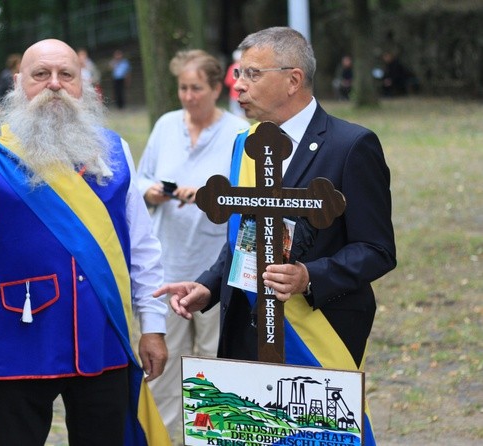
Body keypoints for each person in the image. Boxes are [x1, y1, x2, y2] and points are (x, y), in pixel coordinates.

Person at [154, 27, 396, 446]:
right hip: (245, 328)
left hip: (319, 330)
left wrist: (310, 275)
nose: (239, 85)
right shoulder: (242, 144)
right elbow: (244, 239)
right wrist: (207, 286)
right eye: (237, 73)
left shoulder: (351, 145)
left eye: (251, 73)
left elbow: (377, 250)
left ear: (293, 79)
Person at [0, 39, 170, 446]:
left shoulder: (115, 149)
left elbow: (143, 246)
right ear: (19, 82)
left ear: (83, 84)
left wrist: (154, 327)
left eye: (65, 75)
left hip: (101, 334)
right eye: (41, 75)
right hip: (14, 334)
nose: (54, 85)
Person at [136, 49, 248, 440]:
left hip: (216, 271)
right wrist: (150, 191)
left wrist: (206, 196)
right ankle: (165, 438)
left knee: (213, 366)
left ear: (217, 88)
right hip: (167, 266)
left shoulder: (238, 132)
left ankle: (211, 437)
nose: (188, 96)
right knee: (164, 368)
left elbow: (245, 198)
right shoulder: (166, 125)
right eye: (182, 88)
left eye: (196, 88)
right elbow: (140, 177)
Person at [224, 49, 245, 117]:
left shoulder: (232, 68)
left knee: (235, 112)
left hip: (234, 94)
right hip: (244, 93)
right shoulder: (245, 68)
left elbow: (227, 81)